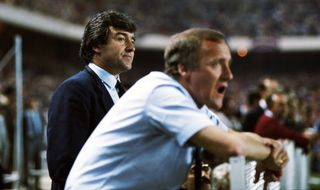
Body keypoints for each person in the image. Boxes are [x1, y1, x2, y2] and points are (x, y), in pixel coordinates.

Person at [65, 28, 288, 189]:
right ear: (183, 68)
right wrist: (270, 154)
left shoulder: (190, 105)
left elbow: (233, 136)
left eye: (228, 65)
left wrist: (271, 148)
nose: (229, 75)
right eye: (215, 64)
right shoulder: (161, 91)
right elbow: (232, 146)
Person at [46, 10, 136, 190]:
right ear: (96, 45)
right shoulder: (74, 90)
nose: (131, 47)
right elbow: (63, 167)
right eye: (120, 38)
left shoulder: (123, 93)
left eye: (132, 40)